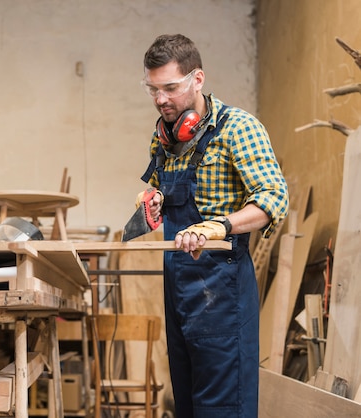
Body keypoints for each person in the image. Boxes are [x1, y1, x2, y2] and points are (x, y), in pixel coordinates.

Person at [136, 34, 289, 418]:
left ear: (197, 79)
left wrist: (219, 227)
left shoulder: (238, 128)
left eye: (170, 88)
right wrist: (150, 200)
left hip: (222, 291)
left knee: (223, 407)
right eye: (153, 90)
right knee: (188, 405)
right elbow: (156, 190)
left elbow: (274, 198)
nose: (161, 100)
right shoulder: (164, 140)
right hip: (178, 290)